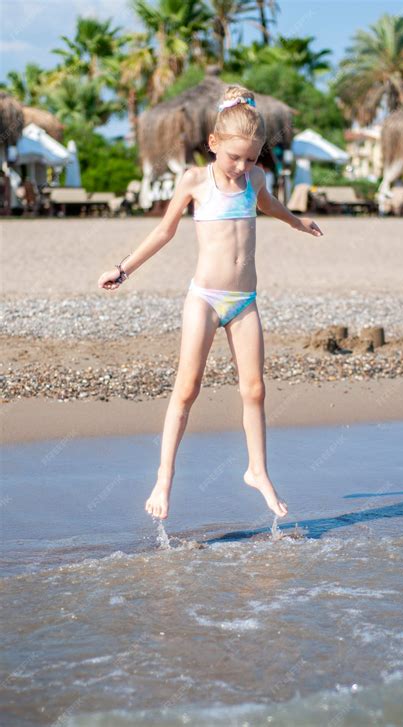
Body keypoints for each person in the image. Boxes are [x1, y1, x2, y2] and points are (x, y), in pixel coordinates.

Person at [98, 84, 323, 521]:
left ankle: (257, 470)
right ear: (214, 144)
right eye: (234, 157)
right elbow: (164, 232)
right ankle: (164, 479)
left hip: (245, 300)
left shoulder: (254, 180)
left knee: (255, 389)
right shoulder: (195, 181)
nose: (242, 167)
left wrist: (298, 223)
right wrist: (123, 269)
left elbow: (271, 205)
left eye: (251, 158)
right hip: (204, 299)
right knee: (187, 390)